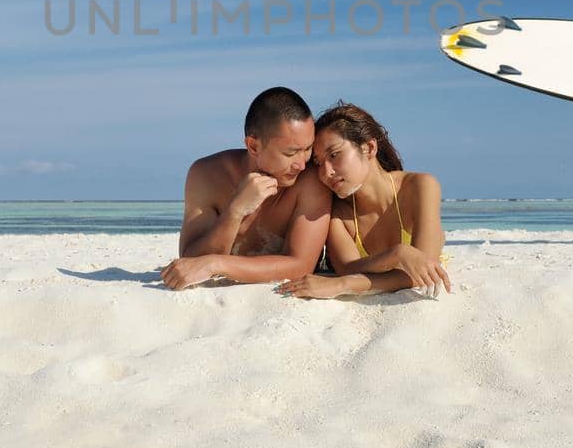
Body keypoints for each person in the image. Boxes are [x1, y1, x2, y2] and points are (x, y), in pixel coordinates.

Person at [161, 86, 332, 290]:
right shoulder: (206, 175)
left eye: (307, 149)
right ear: (253, 146)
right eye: (290, 153)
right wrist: (235, 212)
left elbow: (301, 265)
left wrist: (216, 263)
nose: (302, 164)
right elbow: (190, 262)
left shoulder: (310, 180)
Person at [276, 102, 451, 298]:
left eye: (334, 155)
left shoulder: (419, 187)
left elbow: (424, 269)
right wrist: (397, 255)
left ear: (369, 147)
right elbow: (347, 267)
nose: (326, 172)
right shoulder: (337, 214)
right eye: (318, 163)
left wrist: (342, 285)